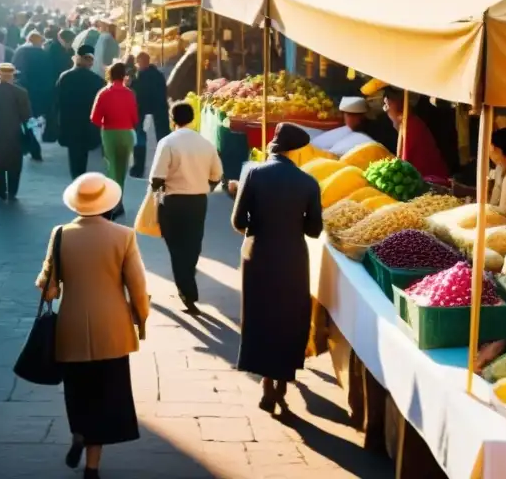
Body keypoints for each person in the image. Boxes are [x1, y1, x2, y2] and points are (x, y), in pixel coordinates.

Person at [36, 173, 150, 479]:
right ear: (108, 203)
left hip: (71, 329)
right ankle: (92, 466)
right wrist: (141, 319)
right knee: (106, 397)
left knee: (78, 393)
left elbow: (47, 287)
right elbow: (137, 288)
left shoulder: (60, 234)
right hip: (112, 330)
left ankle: (78, 434)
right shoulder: (124, 236)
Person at [231, 123, 323, 414]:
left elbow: (238, 221)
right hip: (292, 257)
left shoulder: (253, 173)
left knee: (260, 316)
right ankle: (283, 375)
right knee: (289, 316)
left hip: (257, 253)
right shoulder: (308, 182)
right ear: (296, 151)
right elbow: (314, 230)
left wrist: (258, 228)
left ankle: (266, 381)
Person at [149, 101, 223, 315]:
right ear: (192, 118)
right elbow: (217, 175)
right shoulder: (206, 143)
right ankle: (187, 281)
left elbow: (156, 177)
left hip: (173, 201)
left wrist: (155, 194)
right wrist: (201, 186)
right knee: (193, 244)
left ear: (173, 120)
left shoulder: (168, 142)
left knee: (176, 246)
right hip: (198, 201)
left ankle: (187, 290)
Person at [91, 62, 139, 220]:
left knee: (112, 167)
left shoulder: (103, 93)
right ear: (123, 75)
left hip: (110, 133)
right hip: (126, 133)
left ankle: (111, 203)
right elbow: (135, 118)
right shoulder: (130, 93)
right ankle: (118, 202)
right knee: (122, 169)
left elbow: (95, 118)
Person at [0, 63, 33, 201]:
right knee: (15, 163)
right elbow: (27, 117)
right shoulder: (21, 92)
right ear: (13, 75)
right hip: (15, 134)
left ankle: (0, 191)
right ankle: (12, 190)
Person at [56, 45, 105, 179]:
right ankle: (80, 178)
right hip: (89, 125)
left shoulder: (65, 77)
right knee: (83, 154)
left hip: (70, 124)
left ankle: (76, 179)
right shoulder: (97, 80)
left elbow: (57, 102)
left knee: (74, 155)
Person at [383, 88, 449, 181]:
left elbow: (403, 164)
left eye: (389, 98)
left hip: (430, 179)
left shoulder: (411, 125)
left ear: (400, 104)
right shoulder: (405, 124)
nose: (385, 101)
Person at [130, 51, 171, 178]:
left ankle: (139, 169)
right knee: (162, 141)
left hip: (143, 112)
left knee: (141, 141)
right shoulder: (158, 75)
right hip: (159, 113)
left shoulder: (139, 77)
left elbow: (137, 95)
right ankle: (164, 169)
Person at [313, 96, 396, 154]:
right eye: (345, 115)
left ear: (359, 116)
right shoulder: (349, 131)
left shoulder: (373, 133)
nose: (346, 119)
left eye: (348, 115)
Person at [43, 29, 76, 144]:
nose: (70, 44)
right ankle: (51, 133)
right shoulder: (52, 49)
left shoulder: (70, 50)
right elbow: (50, 67)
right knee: (53, 109)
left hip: (66, 82)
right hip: (53, 81)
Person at [12, 31, 52, 122]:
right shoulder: (43, 54)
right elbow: (48, 73)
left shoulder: (20, 52)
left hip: (23, 88)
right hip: (39, 91)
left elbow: (15, 70)